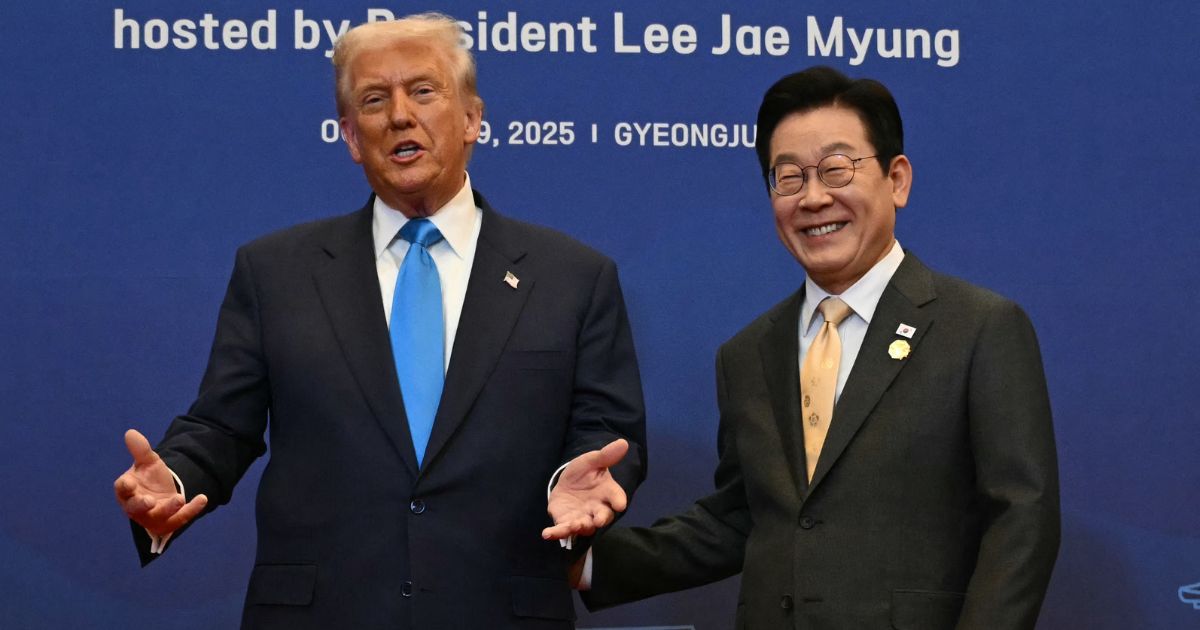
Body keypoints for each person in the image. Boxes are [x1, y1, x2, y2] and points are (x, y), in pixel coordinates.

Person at [111, 13, 646, 629]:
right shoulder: (275, 271)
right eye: (373, 99)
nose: (399, 115)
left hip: (499, 610)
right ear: (350, 136)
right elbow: (221, 426)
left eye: (423, 91)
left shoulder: (573, 276)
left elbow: (606, 431)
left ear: (472, 117)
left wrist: (574, 484)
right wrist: (173, 480)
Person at [574, 66, 1060, 629]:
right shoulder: (747, 354)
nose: (813, 198)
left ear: (897, 179)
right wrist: (587, 565)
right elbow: (742, 518)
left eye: (836, 169)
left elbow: (1021, 520)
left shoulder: (979, 328)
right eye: (789, 177)